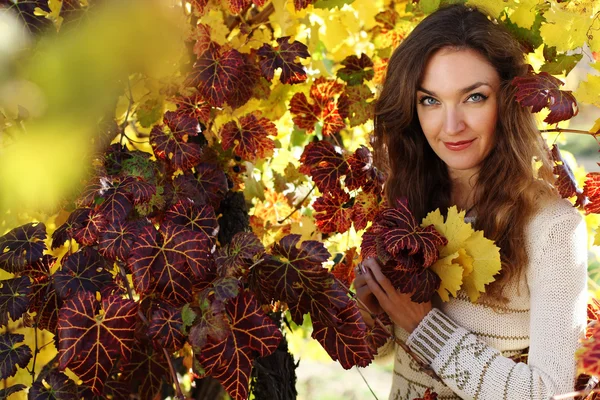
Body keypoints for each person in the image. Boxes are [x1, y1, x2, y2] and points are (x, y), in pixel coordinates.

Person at [353, 4, 588, 400]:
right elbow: (386, 358)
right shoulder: (411, 204)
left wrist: (426, 325)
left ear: (509, 100)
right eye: (430, 101)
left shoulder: (553, 229)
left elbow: (552, 393)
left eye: (474, 97)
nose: (451, 126)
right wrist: (373, 312)